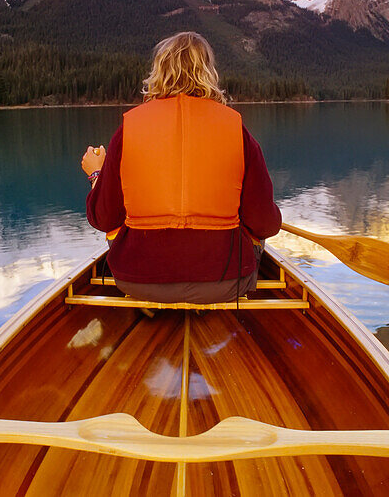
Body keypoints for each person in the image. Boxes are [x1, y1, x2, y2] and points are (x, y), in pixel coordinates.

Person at [81, 32, 281, 304]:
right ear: (209, 72)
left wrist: (97, 175)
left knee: (118, 227)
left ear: (159, 71)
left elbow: (103, 219)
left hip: (138, 280)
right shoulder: (236, 129)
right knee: (253, 232)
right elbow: (266, 224)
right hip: (226, 282)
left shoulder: (129, 130)